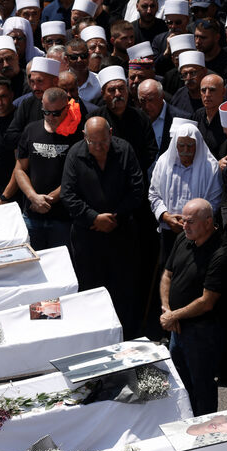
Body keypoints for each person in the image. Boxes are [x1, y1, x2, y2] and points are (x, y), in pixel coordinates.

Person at [61, 116, 145, 335]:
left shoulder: (124, 150)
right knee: (90, 290)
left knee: (123, 291)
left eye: (104, 142)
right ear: (85, 137)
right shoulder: (75, 154)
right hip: (88, 237)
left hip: (121, 234)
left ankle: (126, 337)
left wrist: (113, 217)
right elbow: (68, 195)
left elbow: (137, 190)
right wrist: (94, 218)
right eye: (93, 143)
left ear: (110, 132)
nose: (99, 147)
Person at [159, 198, 227, 415]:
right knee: (181, 383)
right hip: (177, 328)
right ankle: (184, 420)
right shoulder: (183, 238)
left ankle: (207, 428)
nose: (185, 226)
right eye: (183, 220)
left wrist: (174, 316)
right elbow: (167, 275)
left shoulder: (221, 254)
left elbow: (206, 302)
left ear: (208, 222)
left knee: (202, 385)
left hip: (203, 332)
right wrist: (167, 310)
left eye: (190, 221)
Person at [13, 86, 83, 250]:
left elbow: (77, 175)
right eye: (46, 112)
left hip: (62, 217)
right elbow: (19, 169)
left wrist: (49, 199)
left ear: (66, 107)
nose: (51, 117)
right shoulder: (31, 129)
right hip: (32, 213)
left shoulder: (76, 135)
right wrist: (33, 197)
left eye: (56, 113)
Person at [149, 123, 221, 260]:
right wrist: (165, 216)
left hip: (199, 234)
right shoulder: (164, 163)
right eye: (181, 145)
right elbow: (153, 194)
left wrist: (192, 222)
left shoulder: (210, 167)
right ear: (175, 145)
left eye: (190, 146)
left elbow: (215, 200)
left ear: (197, 146)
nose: (185, 150)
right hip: (169, 230)